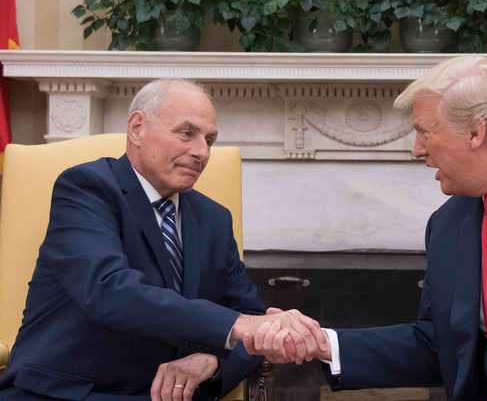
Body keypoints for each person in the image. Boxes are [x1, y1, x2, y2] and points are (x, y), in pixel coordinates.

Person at [244, 56, 487, 401]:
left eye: (424, 130)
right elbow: (437, 345)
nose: (417, 148)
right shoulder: (449, 224)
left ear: (476, 131)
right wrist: (323, 344)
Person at [0, 79, 327, 401]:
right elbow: (110, 291)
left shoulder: (213, 218)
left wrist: (211, 362)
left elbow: (251, 320)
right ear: (137, 127)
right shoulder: (87, 189)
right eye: (187, 133)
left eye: (209, 140)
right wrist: (239, 326)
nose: (201, 152)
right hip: (70, 392)